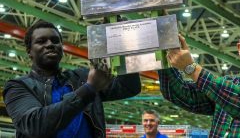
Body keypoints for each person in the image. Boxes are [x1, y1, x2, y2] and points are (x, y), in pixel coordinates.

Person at [3, 20, 141, 138]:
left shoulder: (81, 77)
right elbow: (35, 125)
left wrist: (123, 46)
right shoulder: (18, 87)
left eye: (55, 41)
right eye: (41, 41)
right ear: (29, 51)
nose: (50, 44)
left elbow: (128, 87)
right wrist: (89, 89)